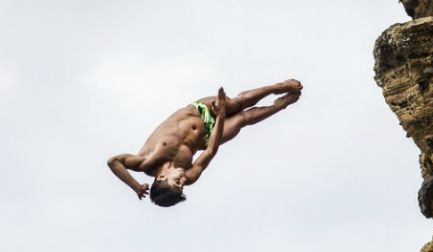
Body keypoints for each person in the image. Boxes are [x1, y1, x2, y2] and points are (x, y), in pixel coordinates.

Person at [106, 79, 302, 206]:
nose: (183, 179)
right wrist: (222, 116)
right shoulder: (190, 177)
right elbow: (209, 151)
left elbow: (114, 162)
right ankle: (282, 104)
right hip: (208, 136)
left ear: (161, 178)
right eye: (181, 185)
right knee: (243, 119)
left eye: (177, 181)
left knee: (238, 103)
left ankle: (279, 87)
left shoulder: (145, 162)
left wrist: (136, 186)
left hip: (197, 112)